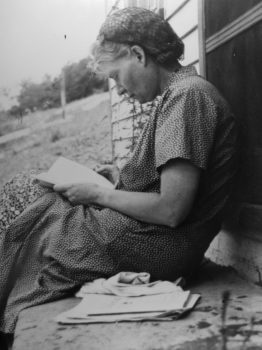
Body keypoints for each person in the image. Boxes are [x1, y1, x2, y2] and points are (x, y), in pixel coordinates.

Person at [0, 7, 238, 337]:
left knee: (36, 211)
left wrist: (99, 193)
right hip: (155, 237)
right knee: (30, 192)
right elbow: (162, 183)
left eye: (116, 77)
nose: (120, 90)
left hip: (161, 244)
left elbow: (171, 209)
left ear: (138, 54)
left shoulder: (188, 97)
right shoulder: (182, 93)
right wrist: (112, 178)